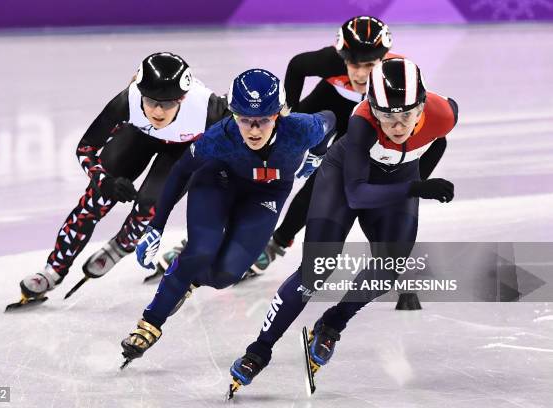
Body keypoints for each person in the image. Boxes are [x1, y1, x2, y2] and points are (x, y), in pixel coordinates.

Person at [228, 58, 459, 395]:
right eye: (387, 116)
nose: (397, 126)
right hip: (345, 180)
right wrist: (417, 188)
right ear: (372, 108)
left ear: (422, 105)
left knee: (389, 268)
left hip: (401, 178)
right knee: (315, 272)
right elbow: (357, 193)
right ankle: (259, 350)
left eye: (406, 115)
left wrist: (418, 175)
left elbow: (440, 138)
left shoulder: (444, 114)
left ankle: (333, 323)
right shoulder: (363, 122)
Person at [152, 16, 402, 280]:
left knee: (324, 181)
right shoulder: (329, 61)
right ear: (341, 56)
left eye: (369, 65)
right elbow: (297, 66)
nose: (360, 74)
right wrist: (287, 115)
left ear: (383, 58)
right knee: (251, 159)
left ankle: (278, 243)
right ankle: (207, 236)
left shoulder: (396, 78)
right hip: (326, 104)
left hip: (363, 120)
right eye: (352, 63)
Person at [119, 68, 337, 367]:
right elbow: (181, 170)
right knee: (201, 249)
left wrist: (317, 154)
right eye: (245, 119)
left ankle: (188, 280)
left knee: (225, 276)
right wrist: (156, 226)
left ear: (280, 114)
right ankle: (151, 321)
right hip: (218, 181)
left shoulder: (302, 129)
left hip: (266, 195)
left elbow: (330, 119)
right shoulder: (219, 137)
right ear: (233, 114)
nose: (254, 130)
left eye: (263, 120)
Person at [11, 52, 229, 307]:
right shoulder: (128, 100)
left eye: (167, 103)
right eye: (151, 101)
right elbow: (85, 148)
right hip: (139, 136)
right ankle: (53, 270)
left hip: (183, 147)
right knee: (95, 200)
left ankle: (120, 246)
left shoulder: (209, 109)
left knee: (150, 205)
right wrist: (104, 181)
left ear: (182, 98)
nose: (158, 111)